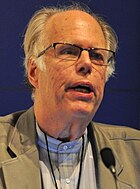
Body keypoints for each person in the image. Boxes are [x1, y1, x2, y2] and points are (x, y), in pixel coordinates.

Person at [0, 3, 139, 189]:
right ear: (34, 73)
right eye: (68, 51)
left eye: (97, 56)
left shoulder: (135, 154)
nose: (86, 64)